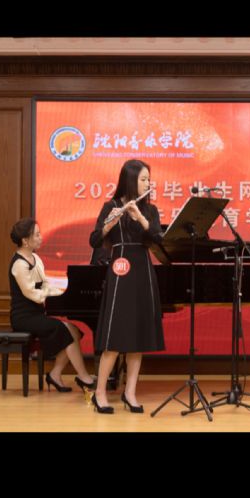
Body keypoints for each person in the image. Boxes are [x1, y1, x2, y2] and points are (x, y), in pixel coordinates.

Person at [88, 159, 165, 413]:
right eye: (143, 179)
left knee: (138, 338)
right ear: (130, 180)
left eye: (148, 179)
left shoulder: (149, 210)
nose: (147, 183)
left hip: (143, 271)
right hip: (120, 270)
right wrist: (110, 223)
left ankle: (130, 393)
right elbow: (94, 240)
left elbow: (158, 238)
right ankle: (100, 393)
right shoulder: (110, 206)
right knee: (114, 337)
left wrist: (139, 217)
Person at [9, 218, 95, 392]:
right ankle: (84, 376)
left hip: (37, 314)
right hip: (23, 318)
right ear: (25, 241)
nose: (41, 237)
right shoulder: (19, 264)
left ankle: (55, 374)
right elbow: (32, 294)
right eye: (37, 235)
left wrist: (61, 293)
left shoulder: (36, 258)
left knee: (73, 331)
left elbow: (45, 285)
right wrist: (52, 295)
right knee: (64, 330)